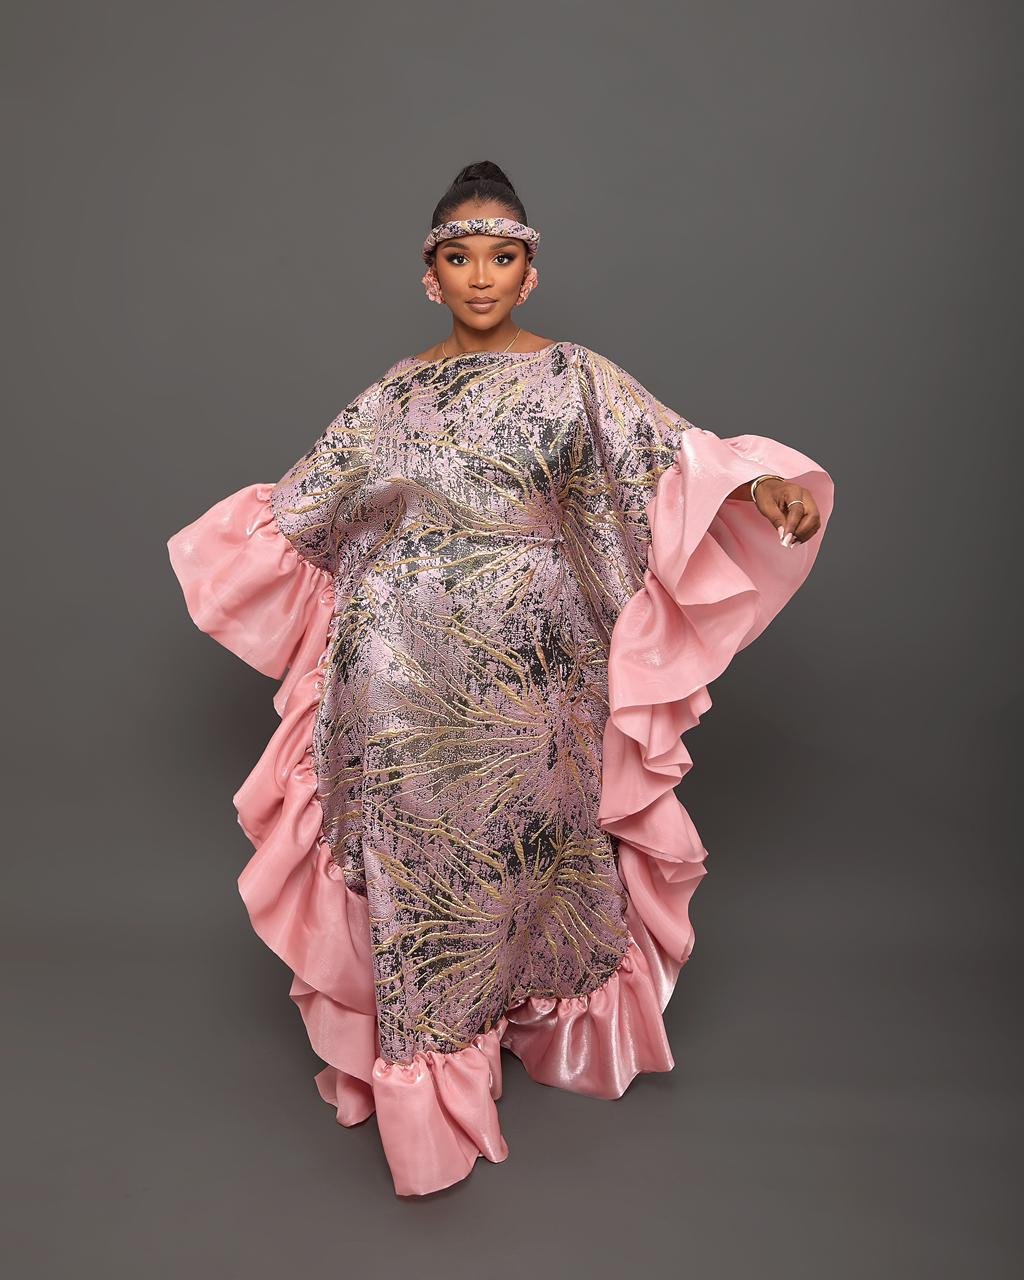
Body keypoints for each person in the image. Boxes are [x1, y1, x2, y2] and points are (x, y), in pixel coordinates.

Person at [167, 160, 835, 1197]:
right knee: (420, 871)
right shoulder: (393, 396)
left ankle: (529, 1019)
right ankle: (429, 1097)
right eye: (459, 256)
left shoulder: (576, 377)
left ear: (529, 273)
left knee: (531, 850)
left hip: (535, 678)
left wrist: (759, 485)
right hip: (396, 673)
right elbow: (306, 506)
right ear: (429, 274)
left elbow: (668, 457)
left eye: (500, 257)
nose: (480, 275)